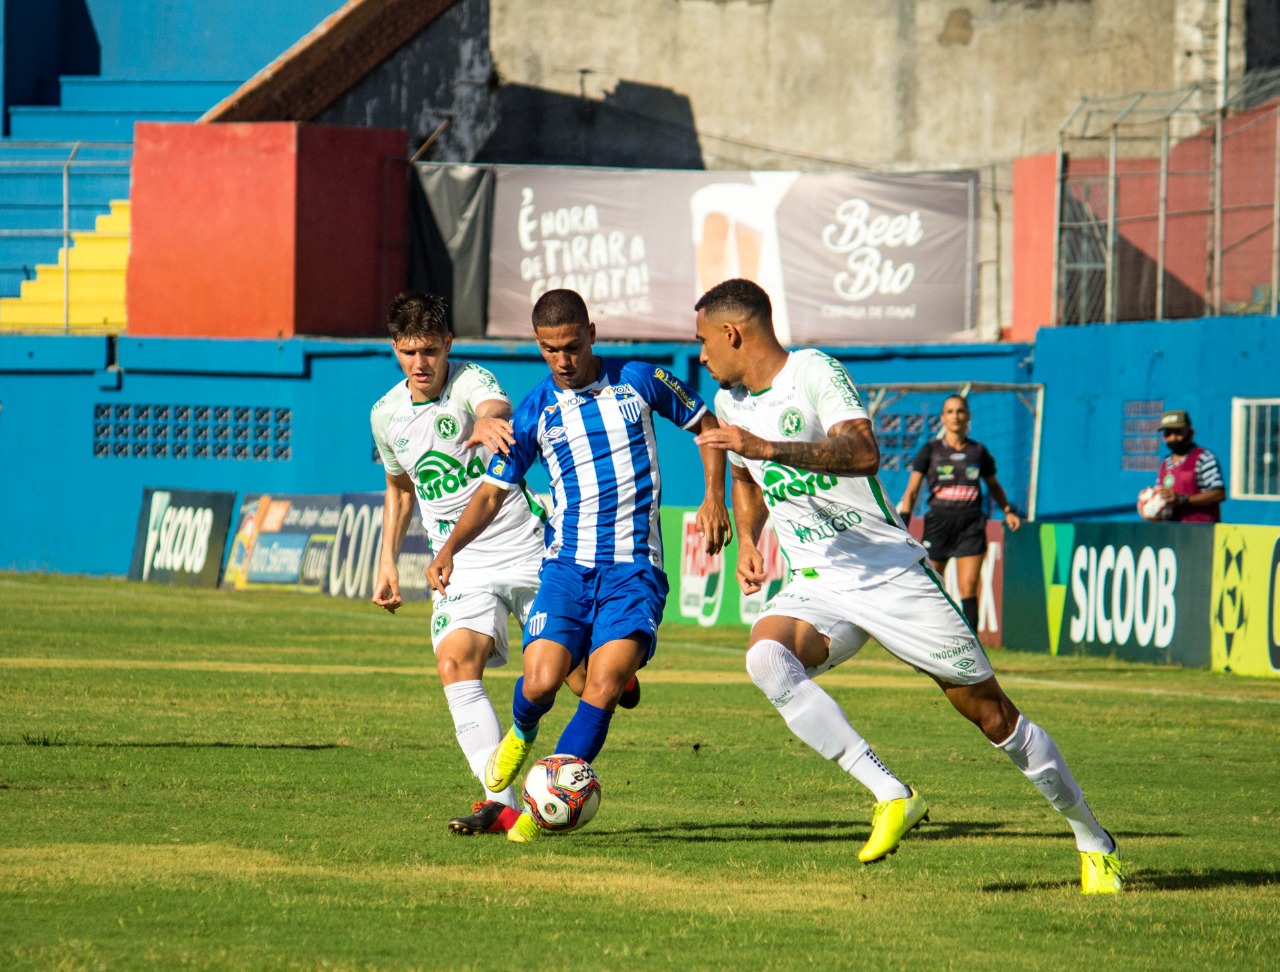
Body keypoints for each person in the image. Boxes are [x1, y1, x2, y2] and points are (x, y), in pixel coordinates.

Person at [691, 278, 1122, 894]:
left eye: (704, 340)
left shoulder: (813, 372)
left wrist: (764, 446)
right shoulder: (729, 401)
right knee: (766, 658)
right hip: (818, 583)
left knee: (993, 717)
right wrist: (754, 535)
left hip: (890, 575)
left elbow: (863, 453)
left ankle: (1090, 836)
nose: (701, 355)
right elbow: (746, 478)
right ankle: (891, 792)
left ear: (734, 333)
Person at [426, 288, 731, 843]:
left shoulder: (638, 379)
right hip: (566, 569)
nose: (562, 360)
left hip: (633, 569)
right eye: (549, 350)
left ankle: (546, 808)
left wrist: (715, 496)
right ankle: (520, 733)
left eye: (570, 345)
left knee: (605, 685)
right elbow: (493, 493)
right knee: (541, 682)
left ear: (591, 332)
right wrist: (450, 549)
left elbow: (708, 426)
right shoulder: (535, 410)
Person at [369, 291, 638, 839]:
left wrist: (489, 424)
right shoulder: (385, 415)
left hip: (527, 546)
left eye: (429, 350)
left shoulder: (472, 382)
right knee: (454, 663)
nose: (420, 364)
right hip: (460, 561)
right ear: (395, 350)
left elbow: (493, 409)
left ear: (448, 345)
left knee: (574, 677)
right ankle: (502, 803)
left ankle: (608, 672)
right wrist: (387, 562)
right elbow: (400, 490)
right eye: (407, 352)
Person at [896, 394, 1022, 634]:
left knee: (968, 588)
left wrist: (1007, 510)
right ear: (943, 418)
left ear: (968, 417)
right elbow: (912, 492)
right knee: (931, 588)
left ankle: (973, 653)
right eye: (951, 412)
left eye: (960, 411)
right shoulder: (930, 451)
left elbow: (993, 485)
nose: (956, 416)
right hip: (938, 524)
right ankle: (926, 643)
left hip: (971, 524)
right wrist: (903, 526)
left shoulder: (978, 452)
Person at [1144, 409, 1225, 522]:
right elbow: (1162, 499)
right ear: (1163, 438)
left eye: (1178, 432)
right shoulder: (1165, 464)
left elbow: (1219, 494)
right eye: (1168, 433)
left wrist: (1183, 500)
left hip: (1201, 532)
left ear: (1190, 433)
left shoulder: (1204, 458)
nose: (1173, 438)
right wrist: (1152, 506)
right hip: (1173, 533)